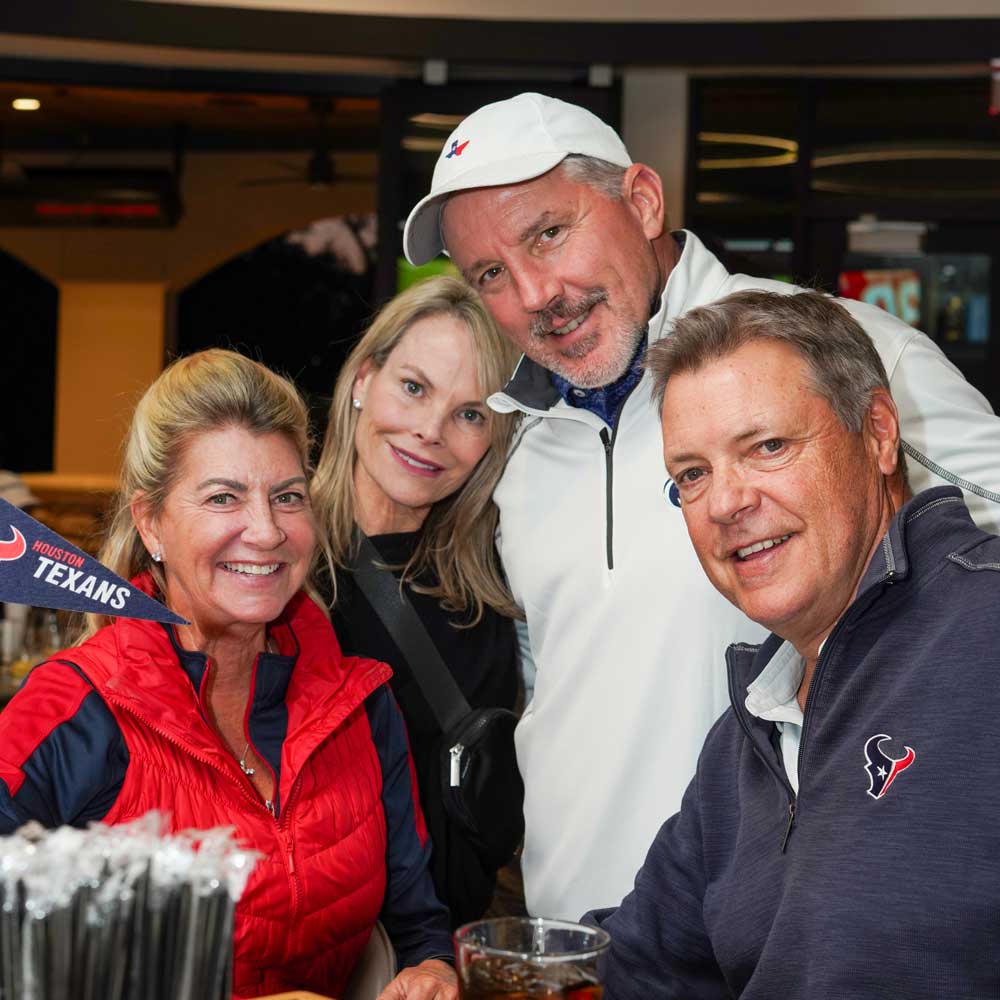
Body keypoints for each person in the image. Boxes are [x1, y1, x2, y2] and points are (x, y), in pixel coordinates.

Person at [402, 91, 1000, 919]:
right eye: (491, 274)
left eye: (548, 232)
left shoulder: (835, 348)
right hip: (581, 945)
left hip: (786, 940)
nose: (537, 293)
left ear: (642, 201)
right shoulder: (520, 448)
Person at [0, 349, 457, 1000]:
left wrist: (433, 970)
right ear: (151, 522)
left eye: (287, 497)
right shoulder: (73, 706)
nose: (266, 531)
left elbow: (417, 923)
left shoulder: (360, 703)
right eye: (224, 497)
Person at [585, 288, 1000, 998]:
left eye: (768, 447)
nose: (725, 502)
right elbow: (639, 973)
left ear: (877, 433)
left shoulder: (985, 631)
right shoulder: (749, 733)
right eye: (692, 474)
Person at [312, 275, 524, 928]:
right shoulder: (272, 564)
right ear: (361, 382)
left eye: (469, 413)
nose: (431, 430)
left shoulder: (490, 594)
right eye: (414, 387)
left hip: (434, 958)